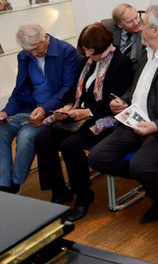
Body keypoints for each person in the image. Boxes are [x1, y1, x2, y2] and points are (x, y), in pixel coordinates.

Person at [88, 5, 158, 223]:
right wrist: (121, 101)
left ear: (156, 30)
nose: (139, 28)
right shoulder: (144, 53)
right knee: (97, 158)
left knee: (140, 165)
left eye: (144, 24)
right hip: (135, 121)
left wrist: (157, 126)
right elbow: (137, 88)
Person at [34, 23, 134, 220]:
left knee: (71, 145)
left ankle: (83, 196)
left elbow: (115, 100)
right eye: (85, 50)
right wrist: (68, 106)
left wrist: (87, 112)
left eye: (90, 50)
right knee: (43, 139)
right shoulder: (87, 62)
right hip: (79, 114)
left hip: (105, 118)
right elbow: (73, 89)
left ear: (104, 46)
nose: (87, 54)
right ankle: (59, 189)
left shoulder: (121, 63)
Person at [0, 24, 80, 194]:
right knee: (1, 132)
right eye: (29, 51)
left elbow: (68, 89)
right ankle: (3, 184)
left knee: (26, 136)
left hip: (53, 111)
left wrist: (45, 109)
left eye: (36, 48)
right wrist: (5, 111)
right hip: (27, 108)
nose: (34, 54)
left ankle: (15, 183)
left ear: (45, 37)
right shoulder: (25, 56)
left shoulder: (66, 52)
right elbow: (19, 90)